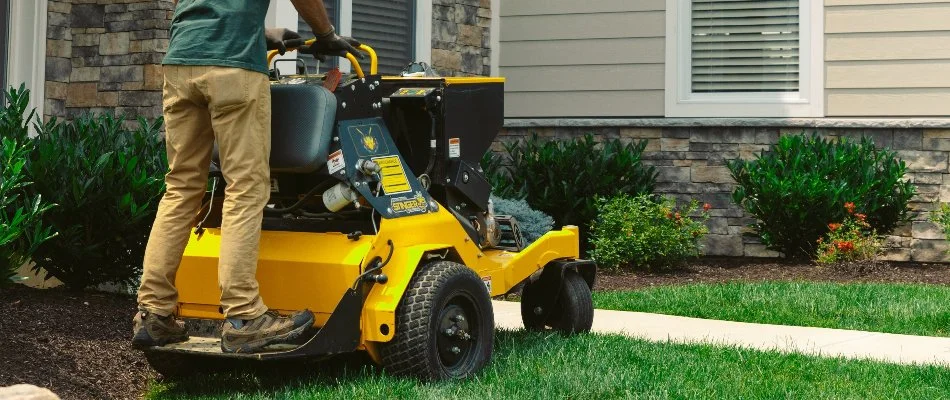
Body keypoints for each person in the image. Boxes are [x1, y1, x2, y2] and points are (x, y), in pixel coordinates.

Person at [131, 0, 360, 354]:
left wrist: (260, 33)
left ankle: (153, 314)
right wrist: (326, 34)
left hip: (181, 62)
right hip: (232, 69)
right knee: (246, 187)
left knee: (181, 187)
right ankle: (244, 317)